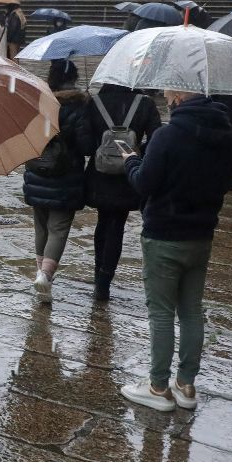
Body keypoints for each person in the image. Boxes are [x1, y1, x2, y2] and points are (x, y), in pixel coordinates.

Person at [120, 89, 232, 412]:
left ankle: (158, 387)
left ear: (179, 94)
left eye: (169, 88)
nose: (164, 93)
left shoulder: (167, 136)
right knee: (191, 310)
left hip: (163, 235)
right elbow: (228, 182)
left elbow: (144, 183)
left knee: (160, 312)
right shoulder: (229, 139)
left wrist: (131, 162)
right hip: (201, 236)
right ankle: (186, 384)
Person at [84, 84, 162, 301]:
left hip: (99, 173)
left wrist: (101, 149)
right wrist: (135, 152)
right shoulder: (145, 103)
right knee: (117, 224)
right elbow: (155, 137)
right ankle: (104, 281)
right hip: (128, 174)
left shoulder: (95, 102)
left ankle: (98, 272)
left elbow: (86, 141)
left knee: (102, 222)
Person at [22, 61, 91, 300]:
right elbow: (86, 145)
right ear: (73, 78)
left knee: (40, 227)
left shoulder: (39, 101)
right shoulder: (79, 107)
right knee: (58, 228)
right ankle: (45, 276)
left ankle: (41, 277)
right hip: (66, 176)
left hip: (38, 171)